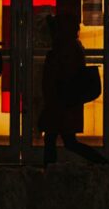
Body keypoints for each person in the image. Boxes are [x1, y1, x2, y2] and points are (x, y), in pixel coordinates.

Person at [39, 12, 105, 166]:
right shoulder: (71, 46)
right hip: (63, 101)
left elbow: (58, 74)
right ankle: (101, 162)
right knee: (65, 140)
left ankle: (101, 162)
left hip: (60, 101)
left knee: (55, 139)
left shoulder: (63, 48)